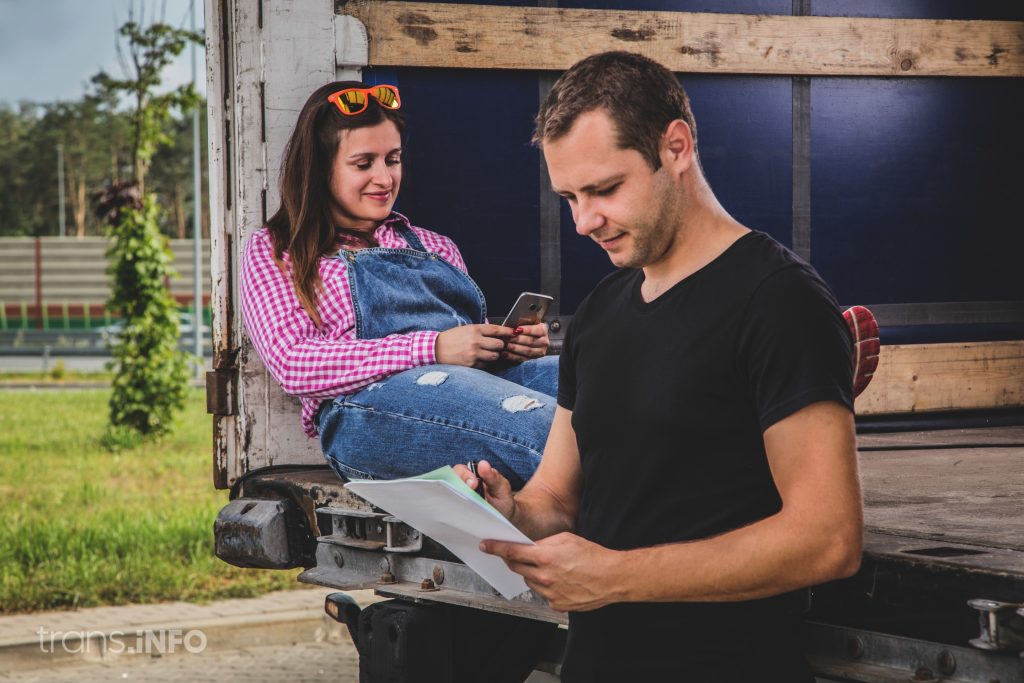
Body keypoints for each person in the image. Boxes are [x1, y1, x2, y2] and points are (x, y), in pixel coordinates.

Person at [456, 52, 865, 682]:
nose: (585, 221)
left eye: (605, 189)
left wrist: (615, 577)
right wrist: (509, 512)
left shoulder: (780, 301)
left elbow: (828, 538)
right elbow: (558, 498)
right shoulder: (598, 312)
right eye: (569, 197)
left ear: (675, 147)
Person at [240, 81, 558, 488]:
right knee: (544, 427)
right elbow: (293, 362)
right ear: (321, 170)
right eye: (363, 163)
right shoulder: (277, 249)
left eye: (392, 159)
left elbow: (472, 369)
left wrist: (507, 349)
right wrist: (434, 347)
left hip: (467, 389)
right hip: (365, 413)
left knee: (591, 384)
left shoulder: (436, 246)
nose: (384, 177)